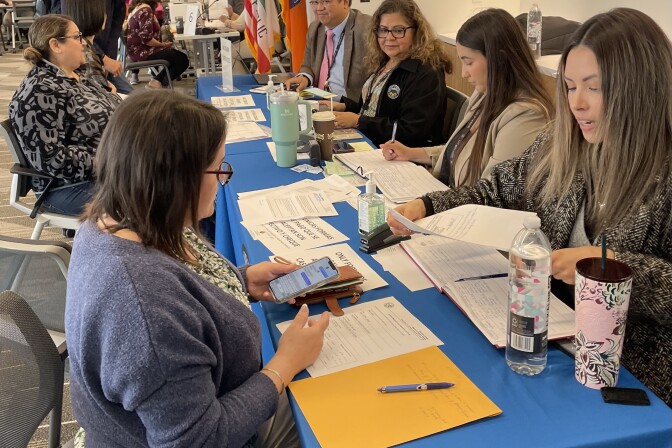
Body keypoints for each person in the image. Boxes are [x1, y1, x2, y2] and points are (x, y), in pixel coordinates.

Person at [388, 8, 672, 407]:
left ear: (640, 87)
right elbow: (498, 189)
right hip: (548, 346)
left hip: (632, 379)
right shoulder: (565, 142)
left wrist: (610, 268)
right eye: (570, 87)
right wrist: (428, 204)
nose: (578, 104)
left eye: (594, 87)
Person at [66, 90, 330, 447]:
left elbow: (182, 283)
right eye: (219, 168)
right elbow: (199, 440)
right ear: (178, 178)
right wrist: (285, 364)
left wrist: (240, 280)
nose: (223, 180)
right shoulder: (146, 308)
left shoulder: (113, 221)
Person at [381, 8, 552, 187]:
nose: (463, 73)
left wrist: (427, 204)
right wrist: (410, 153)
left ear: (499, 59)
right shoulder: (484, 94)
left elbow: (491, 191)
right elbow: (459, 151)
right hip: (445, 192)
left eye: (468, 62)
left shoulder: (526, 115)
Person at [8, 15, 121, 216]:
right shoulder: (41, 91)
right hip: (66, 186)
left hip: (107, 170)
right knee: (155, 193)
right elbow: (51, 158)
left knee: (180, 174)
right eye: (77, 37)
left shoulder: (73, 76)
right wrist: (113, 161)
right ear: (55, 45)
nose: (83, 43)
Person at [330, 0, 450, 148]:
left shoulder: (426, 72)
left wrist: (358, 121)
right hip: (373, 142)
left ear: (416, 31)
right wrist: (344, 106)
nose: (389, 37)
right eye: (383, 30)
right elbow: (374, 110)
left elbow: (410, 131)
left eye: (398, 30)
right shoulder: (386, 60)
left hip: (403, 155)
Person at [284, 0, 370, 102]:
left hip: (349, 107)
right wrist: (305, 78)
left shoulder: (367, 28)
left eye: (326, 2)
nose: (319, 8)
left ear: (345, 3)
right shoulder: (315, 28)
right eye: (314, 2)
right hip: (318, 100)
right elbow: (307, 66)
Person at [126, 0, 189, 88]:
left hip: (138, 51)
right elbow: (146, 39)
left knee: (176, 55)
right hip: (142, 52)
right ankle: (157, 82)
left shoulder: (138, 8)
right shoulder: (145, 10)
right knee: (182, 59)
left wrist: (162, 44)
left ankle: (158, 81)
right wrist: (162, 45)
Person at [62, 0, 117, 92]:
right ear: (95, 14)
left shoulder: (73, 47)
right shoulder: (87, 55)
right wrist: (113, 92)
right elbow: (103, 99)